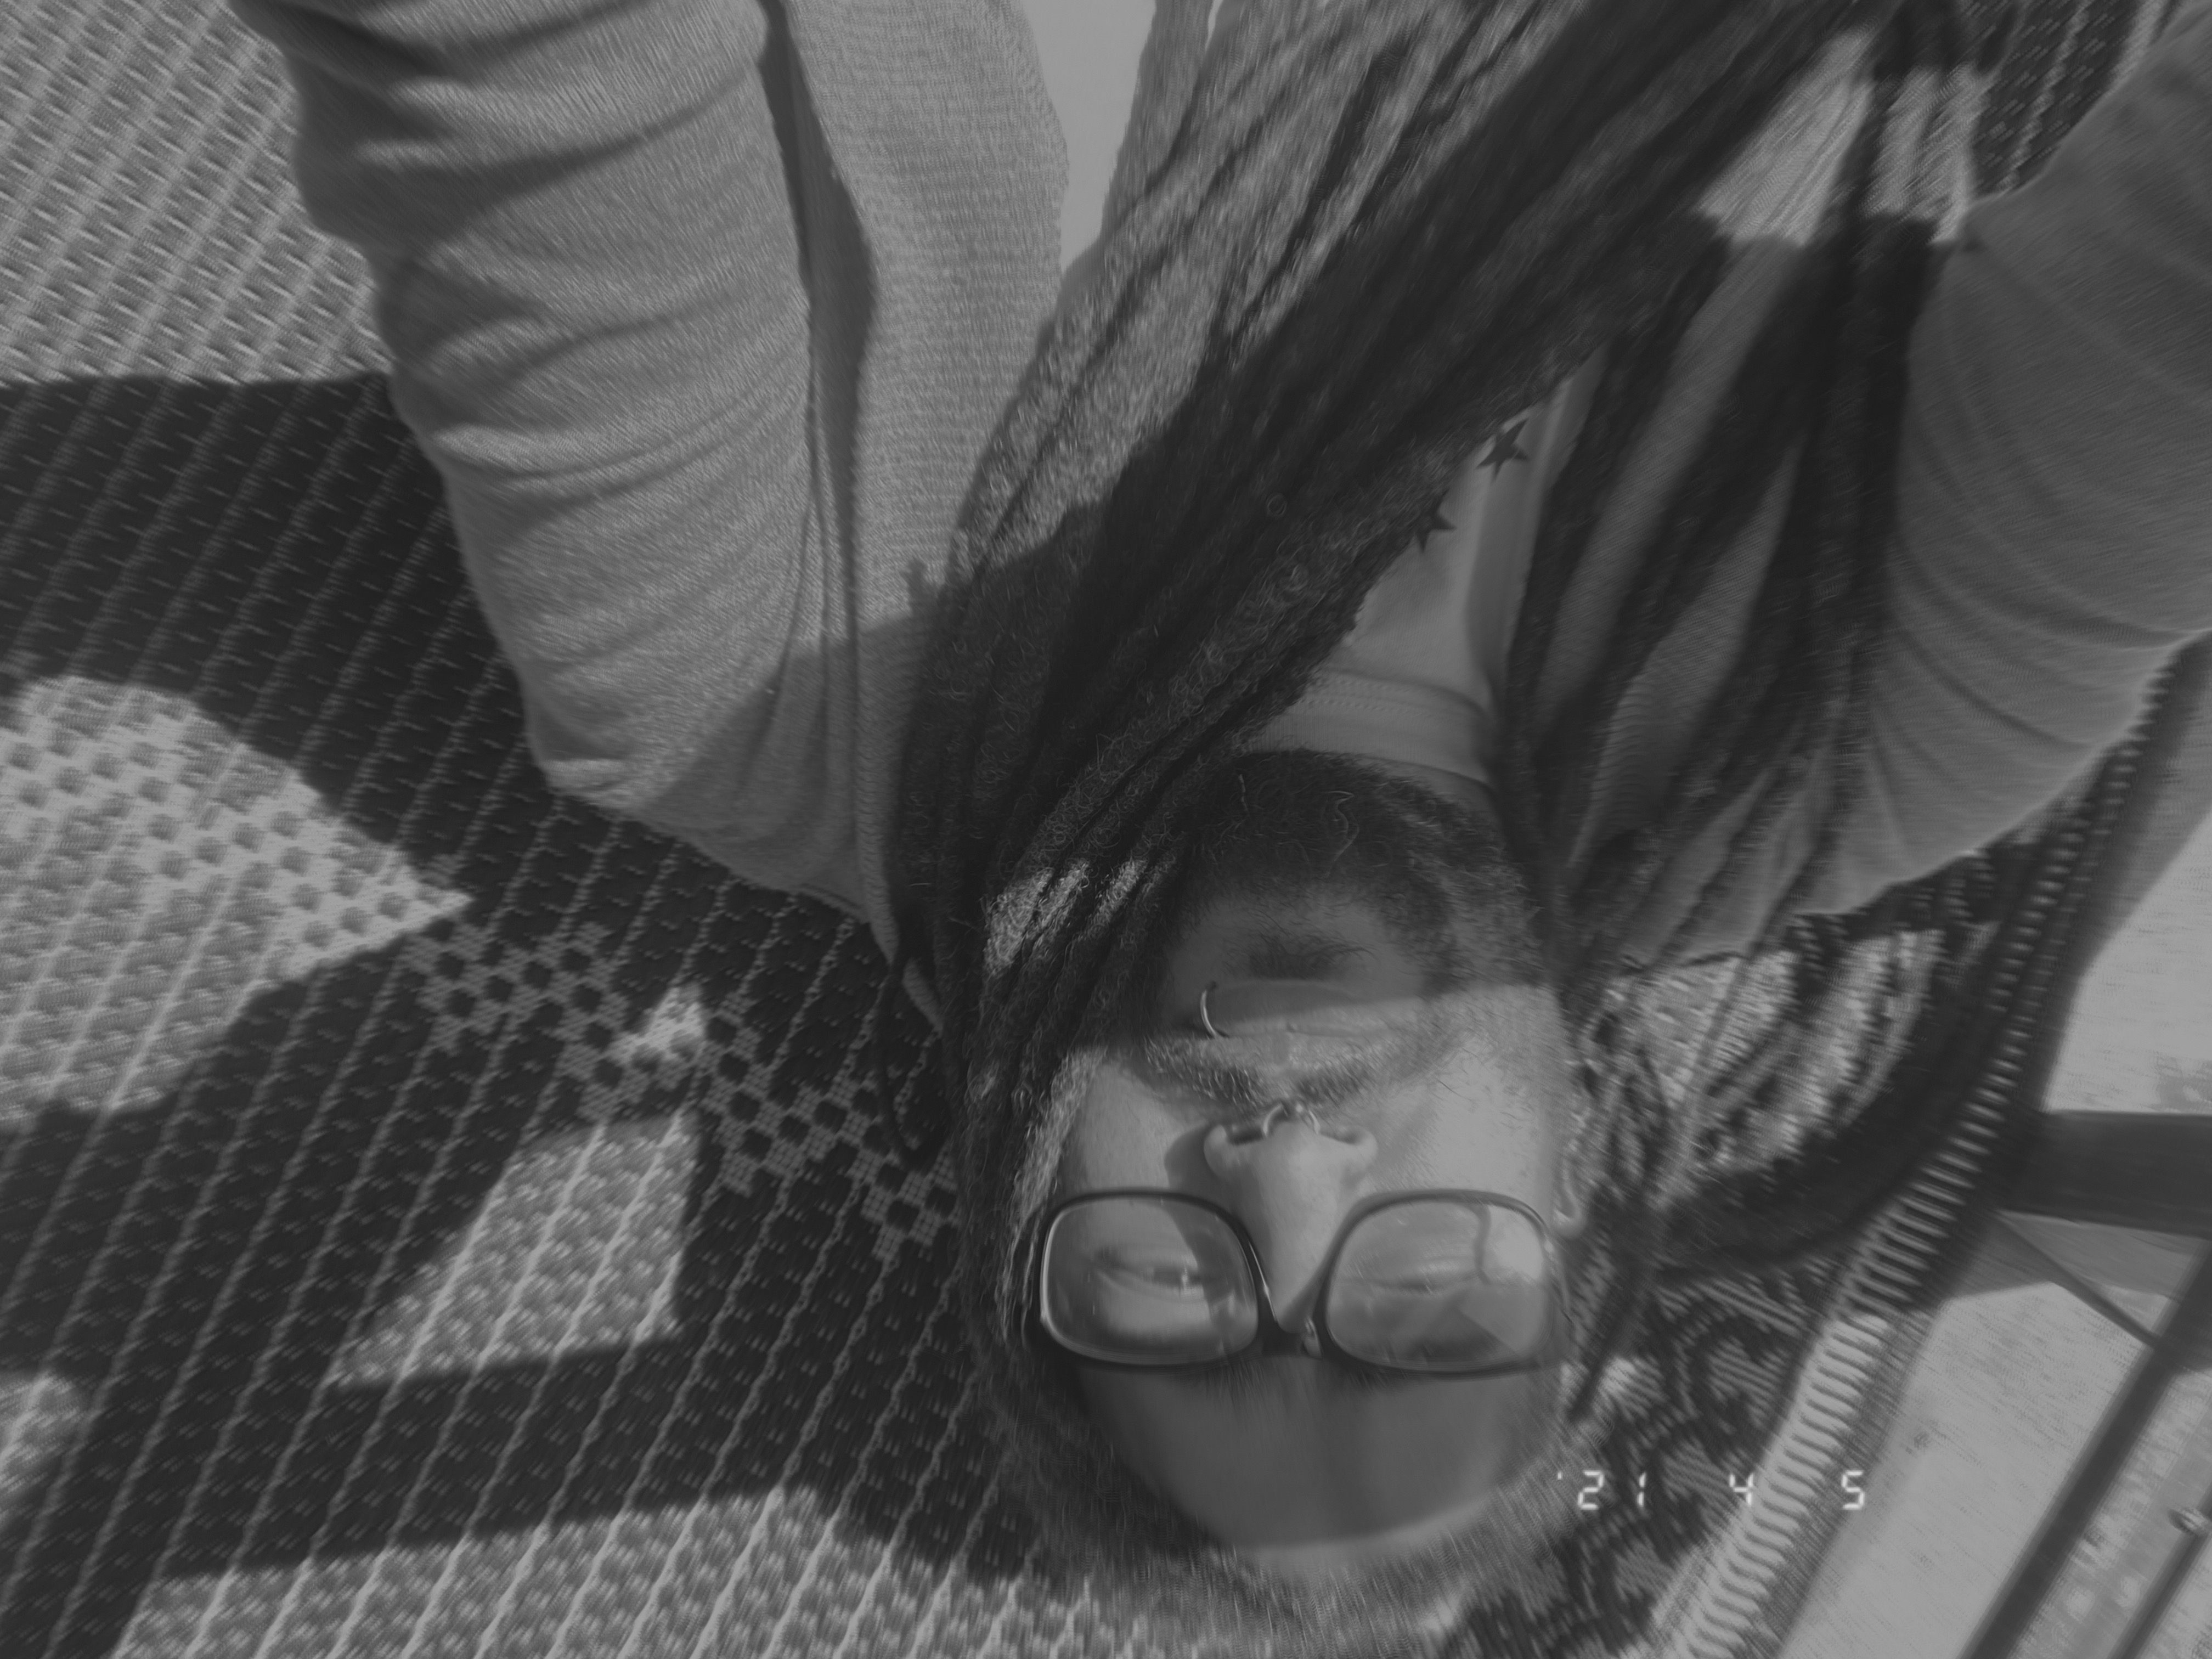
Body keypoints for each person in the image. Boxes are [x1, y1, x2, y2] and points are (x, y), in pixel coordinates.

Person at [231, 0, 2212, 1632]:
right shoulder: (1848, 741)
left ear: (1013, 1195)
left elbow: (509, 47)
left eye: (1168, 1288)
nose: (1289, 1177)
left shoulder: (731, 683)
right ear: (1583, 1188)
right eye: (1430, 1297)